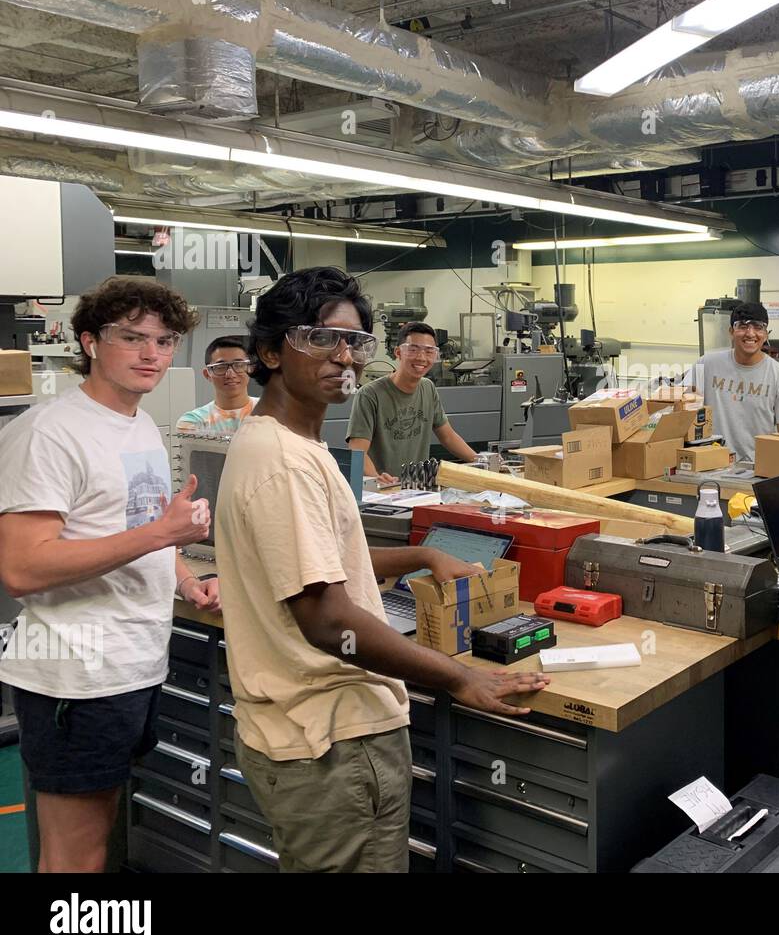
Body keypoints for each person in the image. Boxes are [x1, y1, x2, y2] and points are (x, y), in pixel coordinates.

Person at [215, 267, 549, 872]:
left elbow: (316, 561)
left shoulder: (290, 444)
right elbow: (324, 618)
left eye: (355, 342)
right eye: (320, 339)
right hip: (330, 743)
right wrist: (454, 676)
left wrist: (420, 555)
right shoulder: (286, 463)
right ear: (269, 351)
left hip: (314, 734)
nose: (344, 356)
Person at [0, 277, 218, 873]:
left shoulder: (139, 422)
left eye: (165, 341)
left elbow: (142, 522)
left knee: (101, 840)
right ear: (91, 342)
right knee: (75, 855)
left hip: (133, 664)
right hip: (78, 675)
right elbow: (22, 568)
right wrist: (162, 535)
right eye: (132, 338)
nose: (152, 354)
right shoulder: (49, 432)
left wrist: (183, 578)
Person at [347, 321, 477, 484]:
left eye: (429, 351)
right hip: (384, 492)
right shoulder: (369, 394)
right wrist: (376, 479)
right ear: (398, 352)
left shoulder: (428, 388)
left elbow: (448, 437)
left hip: (417, 488)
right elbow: (357, 451)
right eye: (413, 350)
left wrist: (481, 461)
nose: (422, 358)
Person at [685, 301, 779, 464]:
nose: (750, 333)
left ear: (766, 334)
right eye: (742, 326)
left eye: (758, 327)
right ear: (731, 332)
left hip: (756, 469)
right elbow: (682, 409)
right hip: (709, 464)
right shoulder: (706, 365)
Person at [175, 335, 257, 435]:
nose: (230, 374)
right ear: (207, 374)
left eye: (239, 365)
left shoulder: (271, 411)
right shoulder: (194, 422)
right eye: (221, 367)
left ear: (250, 369)